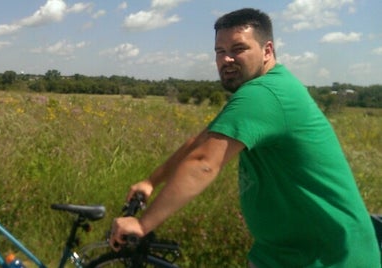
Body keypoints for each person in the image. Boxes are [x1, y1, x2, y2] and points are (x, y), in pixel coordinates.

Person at [109, 7, 381, 267]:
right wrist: (150, 181)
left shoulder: (263, 94)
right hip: (281, 252)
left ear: (267, 50)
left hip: (328, 258)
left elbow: (204, 163)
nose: (227, 59)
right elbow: (198, 144)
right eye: (220, 51)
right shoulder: (258, 92)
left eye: (238, 49)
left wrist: (143, 225)